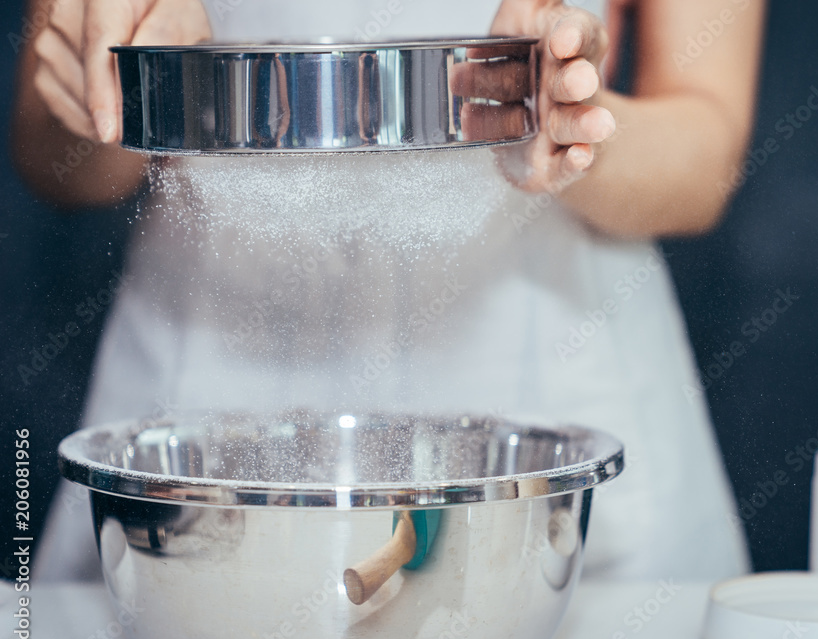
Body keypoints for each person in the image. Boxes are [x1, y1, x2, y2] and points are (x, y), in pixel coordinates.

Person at [12, 0, 766, 581]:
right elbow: (54, 163)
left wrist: (567, 122)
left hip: (547, 378)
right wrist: (112, 92)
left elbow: (707, 158)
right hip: (204, 408)